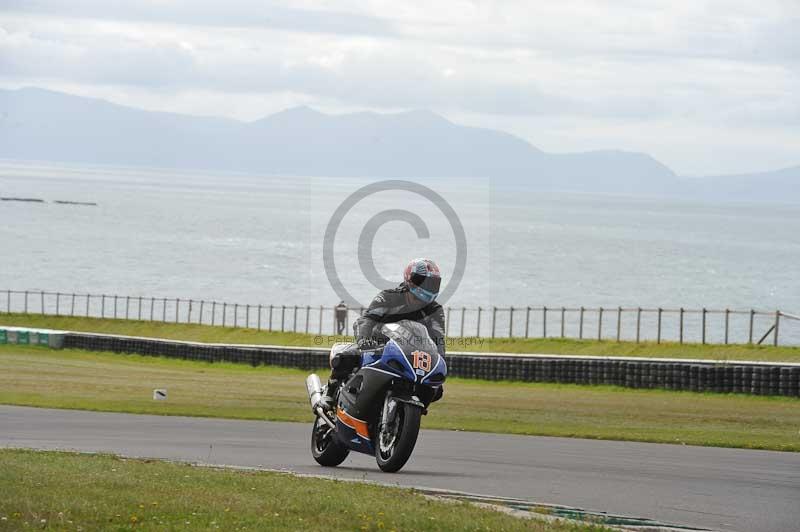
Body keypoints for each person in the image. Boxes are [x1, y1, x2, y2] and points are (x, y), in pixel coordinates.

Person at [321, 258, 446, 409]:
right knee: (345, 357)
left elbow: (438, 338)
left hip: (409, 355)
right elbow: (366, 320)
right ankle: (331, 390)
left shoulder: (435, 310)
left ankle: (410, 414)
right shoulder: (388, 296)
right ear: (410, 279)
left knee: (436, 388)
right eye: (422, 281)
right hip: (378, 346)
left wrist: (439, 360)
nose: (427, 286)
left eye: (432, 283)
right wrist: (364, 341)